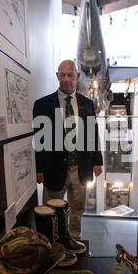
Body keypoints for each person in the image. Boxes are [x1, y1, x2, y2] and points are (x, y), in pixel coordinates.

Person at [33, 59, 103, 241]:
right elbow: (38, 140)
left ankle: (74, 240)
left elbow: (92, 133)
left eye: (70, 75)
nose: (66, 79)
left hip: (80, 166)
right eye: (62, 75)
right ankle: (52, 244)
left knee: (77, 209)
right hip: (53, 168)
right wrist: (38, 169)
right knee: (51, 210)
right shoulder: (42, 105)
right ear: (57, 76)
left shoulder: (87, 104)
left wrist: (97, 161)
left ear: (77, 76)